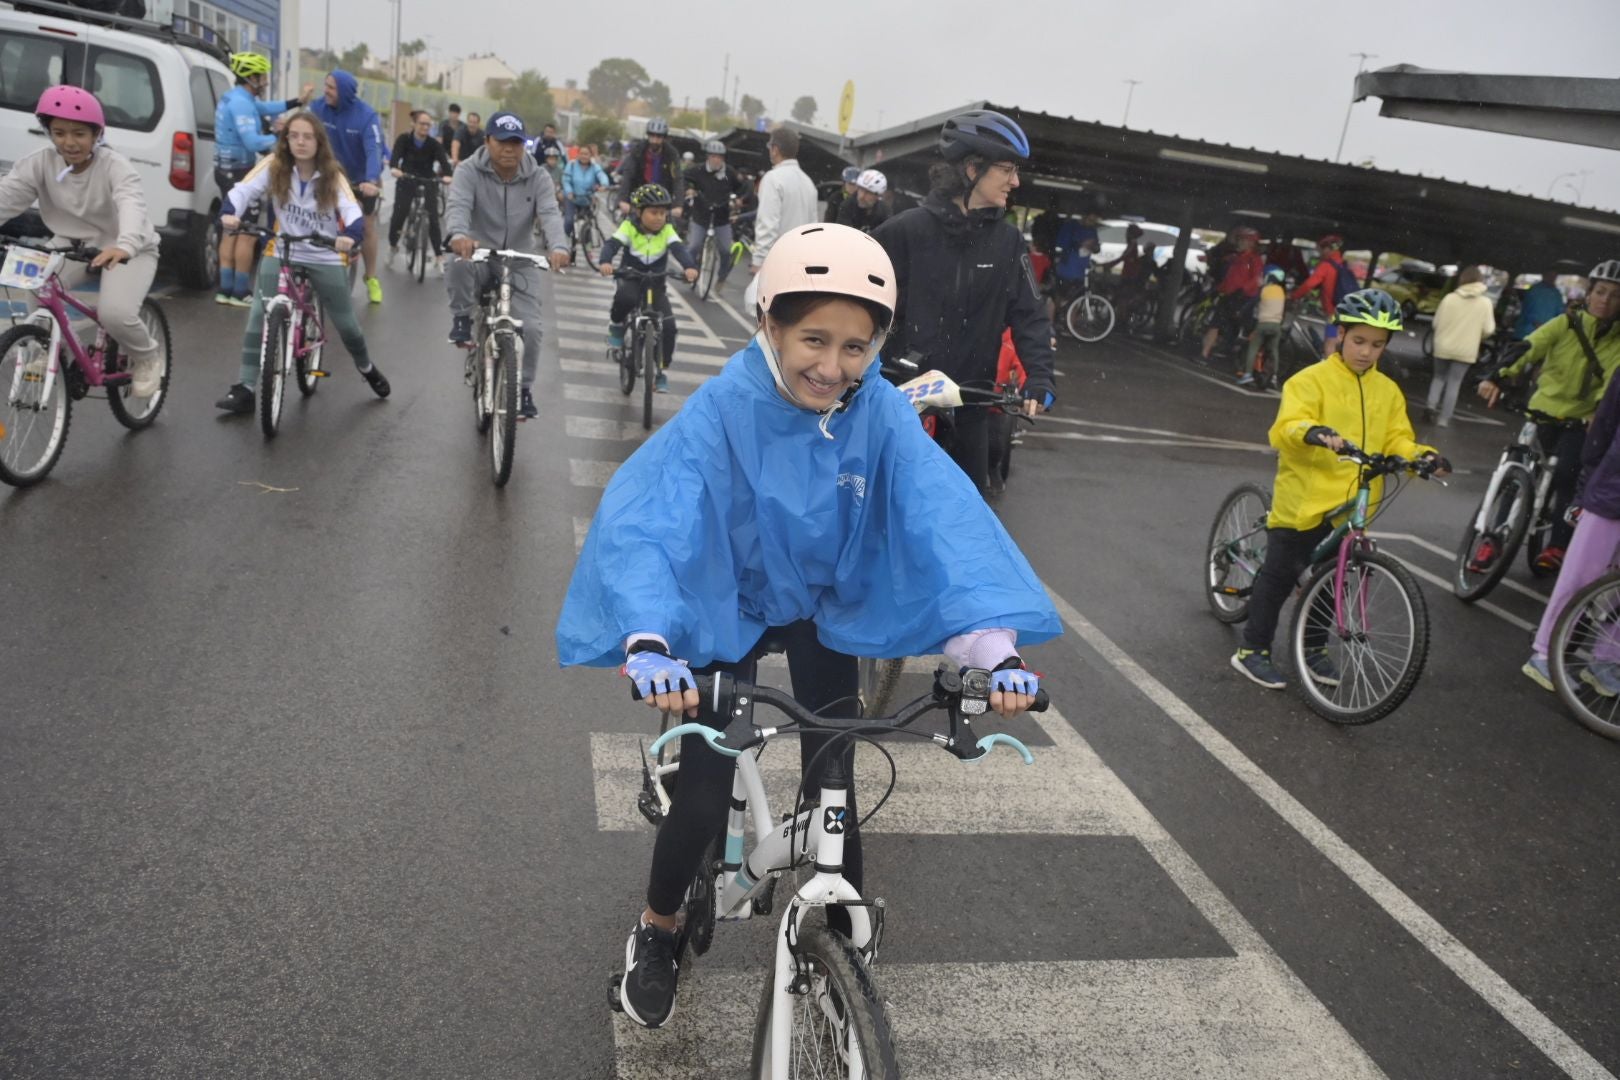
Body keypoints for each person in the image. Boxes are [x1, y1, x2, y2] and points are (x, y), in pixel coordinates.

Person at [555, 222, 1059, 1030]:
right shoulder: (726, 406)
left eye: (856, 347)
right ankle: (657, 932)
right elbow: (654, 520)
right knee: (707, 779)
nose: (833, 367)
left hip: (827, 606)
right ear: (770, 326)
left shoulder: (881, 412)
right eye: (813, 340)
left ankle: (836, 950)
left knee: (836, 779)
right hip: (730, 606)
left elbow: (942, 521)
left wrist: (991, 651)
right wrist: (650, 638)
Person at [1231, 289, 1449, 689]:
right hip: (1306, 498)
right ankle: (1252, 650)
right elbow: (1286, 427)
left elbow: (1398, 438)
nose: (1367, 352)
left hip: (1354, 502)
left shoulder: (1387, 390)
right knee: (1279, 575)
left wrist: (1422, 455)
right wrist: (1313, 432)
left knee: (1335, 577)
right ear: (1342, 334)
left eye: (1377, 345)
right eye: (1359, 341)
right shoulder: (1310, 381)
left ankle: (1314, 648)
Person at [872, 109, 1056, 495]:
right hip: (897, 406)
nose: (1015, 181)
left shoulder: (1007, 245)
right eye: (1006, 169)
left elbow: (1030, 316)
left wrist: (1038, 376)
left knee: (968, 531)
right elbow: (859, 308)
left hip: (970, 411)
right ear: (972, 169)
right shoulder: (904, 231)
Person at [213, 109, 389, 414]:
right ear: (286, 140)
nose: (300, 142)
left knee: (346, 324)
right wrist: (231, 212)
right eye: (293, 136)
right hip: (282, 249)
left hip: (324, 253)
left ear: (319, 142)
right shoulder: (274, 165)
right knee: (259, 314)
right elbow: (242, 190)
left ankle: (366, 367)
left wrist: (351, 235)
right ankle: (245, 387)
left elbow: (352, 210)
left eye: (307, 136)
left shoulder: (332, 175)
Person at [0, 86, 165, 398]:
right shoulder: (39, 164)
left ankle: (147, 357)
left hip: (126, 247)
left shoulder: (115, 167)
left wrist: (125, 245)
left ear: (97, 134)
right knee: (38, 283)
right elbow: (6, 197)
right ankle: (48, 347)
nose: (69, 142)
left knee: (114, 314)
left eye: (79, 133)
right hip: (70, 243)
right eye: (59, 133)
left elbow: (131, 203)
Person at [1476, 260, 1620, 571]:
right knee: (1516, 473)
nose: (1605, 300)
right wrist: (1496, 376)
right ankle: (1491, 539)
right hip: (1542, 410)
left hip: (1580, 420)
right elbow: (1530, 346)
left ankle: (1556, 545)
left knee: (1568, 476)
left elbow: (1611, 385)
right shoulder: (1565, 323)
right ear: (1589, 292)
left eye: (1614, 295)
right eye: (1600, 291)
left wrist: (1598, 412)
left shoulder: (1618, 341)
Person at [444, 110, 571, 421]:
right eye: (502, 142)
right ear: (488, 141)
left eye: (516, 143)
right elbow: (458, 205)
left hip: (519, 259)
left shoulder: (538, 176)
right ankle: (462, 316)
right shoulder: (469, 171)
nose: (509, 149)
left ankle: (523, 389)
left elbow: (551, 214)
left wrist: (559, 246)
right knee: (455, 263)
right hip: (478, 251)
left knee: (532, 328)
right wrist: (459, 236)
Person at [1522, 363, 1620, 691]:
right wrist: (1583, 491)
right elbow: (1601, 434)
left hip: (1607, 491)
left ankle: (1605, 660)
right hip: (1609, 494)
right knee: (1579, 579)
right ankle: (1545, 653)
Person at [213, 52, 310, 306]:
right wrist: (283, 138)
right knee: (248, 234)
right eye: (262, 77)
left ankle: (225, 289)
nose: (265, 81)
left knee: (230, 229)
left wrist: (296, 102)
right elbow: (253, 142)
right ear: (251, 77)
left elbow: (267, 108)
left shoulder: (236, 97)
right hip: (239, 170)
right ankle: (240, 291)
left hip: (224, 168)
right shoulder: (242, 104)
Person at [598, 184, 699, 393]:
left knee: (669, 327)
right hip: (631, 278)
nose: (659, 218)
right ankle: (616, 325)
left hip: (656, 284)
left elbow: (679, 249)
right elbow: (612, 245)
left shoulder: (667, 230)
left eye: (663, 213)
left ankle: (661, 371)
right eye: (653, 212)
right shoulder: (629, 226)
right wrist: (606, 261)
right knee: (625, 298)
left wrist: (689, 266)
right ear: (638, 211)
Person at [308, 70, 386, 304]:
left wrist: (371, 180)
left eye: (331, 87)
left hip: (359, 179)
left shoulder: (366, 116)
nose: (326, 91)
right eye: (326, 85)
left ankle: (370, 277)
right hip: (327, 175)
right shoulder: (318, 108)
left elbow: (375, 150)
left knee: (366, 226)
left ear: (344, 91)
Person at [1423, 265, 1495, 427]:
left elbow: (1436, 323)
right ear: (1480, 281)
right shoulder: (1485, 303)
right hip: (1466, 349)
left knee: (1438, 377)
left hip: (1443, 346)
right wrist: (1476, 335)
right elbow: (1489, 329)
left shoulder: (1449, 299)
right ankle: (1443, 419)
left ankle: (1430, 406)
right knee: (1454, 383)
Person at [387, 109, 454, 274]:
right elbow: (395, 159)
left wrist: (447, 176)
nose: (425, 127)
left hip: (428, 180)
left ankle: (439, 257)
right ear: (414, 124)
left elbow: (444, 163)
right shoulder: (404, 139)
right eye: (422, 124)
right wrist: (395, 169)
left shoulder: (433, 144)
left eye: (428, 124)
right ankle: (393, 246)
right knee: (399, 215)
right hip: (406, 179)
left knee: (433, 219)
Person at [749, 126, 818, 278]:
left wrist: (759, 260)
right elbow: (813, 227)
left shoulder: (773, 179)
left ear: (775, 149)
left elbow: (767, 223)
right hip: (801, 264)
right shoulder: (809, 183)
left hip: (777, 261)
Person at [683, 140, 747, 292]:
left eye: (720, 157)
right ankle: (689, 272)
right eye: (713, 156)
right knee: (693, 246)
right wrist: (689, 190)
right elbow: (683, 179)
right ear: (708, 157)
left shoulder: (729, 173)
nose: (716, 160)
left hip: (721, 218)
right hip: (701, 216)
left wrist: (738, 199)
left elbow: (743, 188)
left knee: (726, 250)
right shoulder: (697, 170)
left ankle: (722, 276)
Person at [1202, 225, 1263, 362]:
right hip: (1231, 296)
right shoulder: (1237, 258)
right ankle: (1205, 354)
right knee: (1218, 324)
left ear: (1250, 243)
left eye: (1241, 240)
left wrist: (1243, 290)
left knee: (1234, 326)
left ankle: (1243, 358)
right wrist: (1218, 289)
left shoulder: (1254, 259)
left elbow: (1257, 279)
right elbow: (1231, 278)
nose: (1238, 243)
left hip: (1243, 298)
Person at [1291, 234, 1355, 358]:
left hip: (1334, 314)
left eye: (1320, 249)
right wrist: (1316, 297)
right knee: (1337, 340)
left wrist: (1294, 296)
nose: (1319, 253)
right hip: (1346, 310)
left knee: (1330, 343)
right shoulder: (1342, 264)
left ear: (1327, 249)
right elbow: (1332, 286)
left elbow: (1309, 284)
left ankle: (1327, 370)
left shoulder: (1326, 266)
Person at [616, 118, 684, 219]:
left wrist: (678, 205)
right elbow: (628, 174)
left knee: (669, 230)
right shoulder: (638, 150)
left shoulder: (671, 154)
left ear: (664, 138)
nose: (655, 140)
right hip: (639, 195)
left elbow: (677, 179)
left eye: (659, 137)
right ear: (648, 135)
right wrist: (622, 200)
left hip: (662, 198)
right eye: (652, 136)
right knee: (627, 229)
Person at [1238, 267, 1287, 385]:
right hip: (1276, 326)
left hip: (1263, 324)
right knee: (1274, 349)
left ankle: (1248, 375)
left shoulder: (1264, 290)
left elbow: (1252, 303)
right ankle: (1274, 376)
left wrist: (1241, 311)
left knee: (1253, 347)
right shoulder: (1281, 291)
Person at [561, 143, 611, 254]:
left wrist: (604, 184)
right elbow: (566, 179)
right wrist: (569, 192)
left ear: (590, 156)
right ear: (578, 154)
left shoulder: (594, 167)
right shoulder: (572, 165)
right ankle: (566, 243)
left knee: (588, 224)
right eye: (582, 153)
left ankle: (588, 249)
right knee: (569, 221)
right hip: (572, 198)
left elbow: (601, 175)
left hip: (586, 199)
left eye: (587, 154)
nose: (584, 156)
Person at [1515, 271, 1565, 340]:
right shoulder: (1534, 290)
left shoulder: (1556, 294)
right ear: (1544, 276)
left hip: (1544, 336)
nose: (1552, 278)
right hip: (1527, 334)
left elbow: (1560, 313)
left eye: (1554, 276)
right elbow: (1530, 312)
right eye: (1550, 276)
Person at [836, 168, 889, 233]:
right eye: (861, 190)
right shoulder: (847, 205)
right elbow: (842, 233)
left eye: (868, 192)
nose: (861, 196)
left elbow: (887, 234)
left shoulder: (884, 210)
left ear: (877, 196)